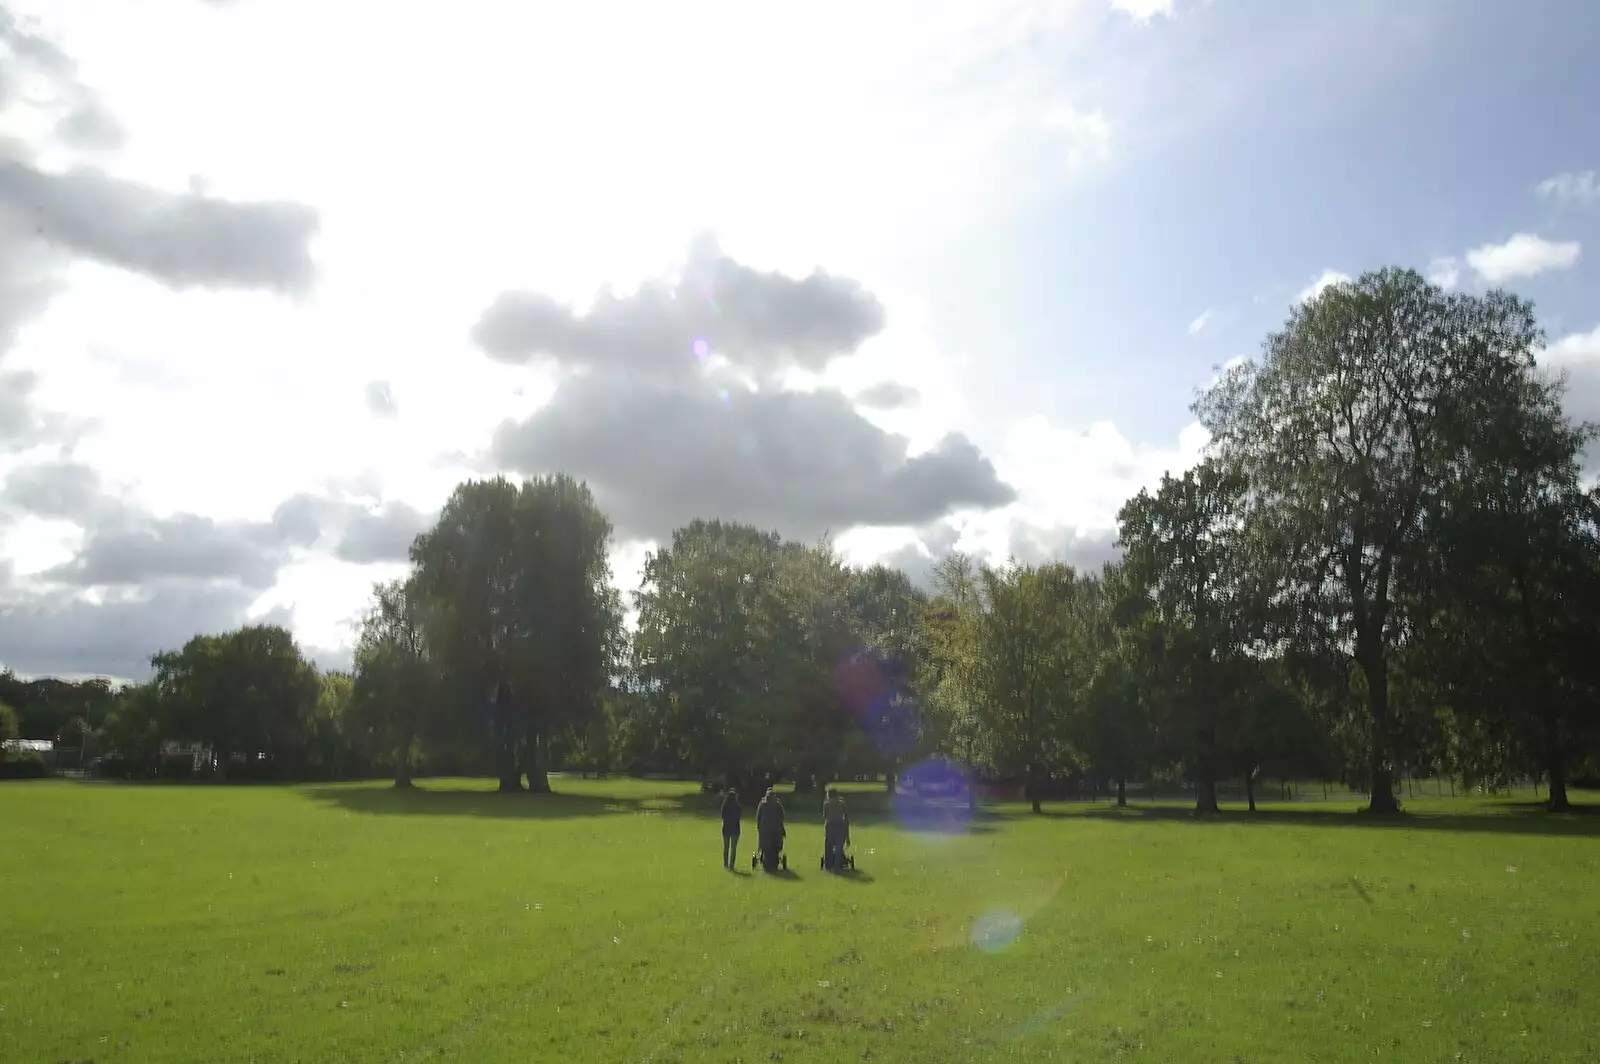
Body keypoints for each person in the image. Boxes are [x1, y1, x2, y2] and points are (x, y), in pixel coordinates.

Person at [755, 787, 786, 871]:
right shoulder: (777, 804)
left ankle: (766, 864)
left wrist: (759, 826)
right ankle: (774, 864)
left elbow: (758, 817)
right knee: (775, 848)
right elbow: (782, 816)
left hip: (765, 830)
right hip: (776, 829)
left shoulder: (762, 804)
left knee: (766, 848)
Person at [822, 786, 850, 871]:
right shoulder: (842, 803)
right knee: (839, 847)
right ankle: (838, 866)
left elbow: (825, 816)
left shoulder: (826, 803)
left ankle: (828, 865)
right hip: (840, 825)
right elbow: (846, 816)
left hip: (830, 826)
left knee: (829, 846)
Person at [719, 786, 742, 869]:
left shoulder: (725, 806)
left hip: (726, 829)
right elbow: (738, 817)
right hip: (735, 829)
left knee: (726, 847)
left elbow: (723, 816)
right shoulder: (738, 806)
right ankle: (731, 864)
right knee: (733, 848)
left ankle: (725, 863)